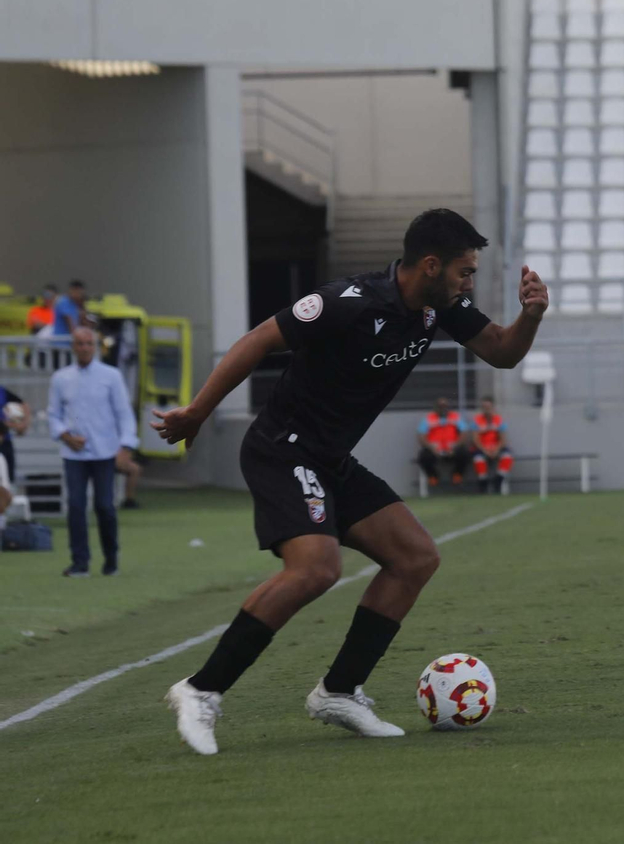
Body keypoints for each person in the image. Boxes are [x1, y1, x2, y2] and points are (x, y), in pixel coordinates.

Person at [151, 208, 549, 756]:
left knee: (415, 558)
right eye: (465, 270)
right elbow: (257, 340)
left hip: (330, 458)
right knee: (315, 568)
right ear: (430, 266)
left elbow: (502, 352)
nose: (469, 282)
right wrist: (197, 412)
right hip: (282, 449)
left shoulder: (441, 307)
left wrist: (532, 315)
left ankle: (338, 692)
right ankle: (201, 689)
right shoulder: (348, 302)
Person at [48, 327, 138, 577]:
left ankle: (111, 559)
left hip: (105, 452)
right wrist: (65, 435)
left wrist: (126, 446)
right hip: (74, 454)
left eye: (89, 343)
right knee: (76, 506)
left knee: (105, 506)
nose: (85, 348)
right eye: (80, 343)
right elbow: (53, 414)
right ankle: (80, 562)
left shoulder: (111, 376)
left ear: (95, 346)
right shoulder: (61, 378)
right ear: (73, 347)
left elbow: (124, 414)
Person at [416, 397, 471, 487]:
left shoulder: (455, 417)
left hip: (452, 449)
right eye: (440, 406)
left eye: (445, 406)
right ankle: (433, 476)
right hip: (434, 449)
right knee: (423, 456)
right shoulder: (429, 418)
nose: (443, 408)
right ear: (436, 407)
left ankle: (457, 475)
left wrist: (455, 447)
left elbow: (464, 433)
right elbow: (421, 436)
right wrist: (432, 448)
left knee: (464, 454)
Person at [468, 397, 513, 494]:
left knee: (507, 455)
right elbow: (475, 439)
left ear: (493, 407)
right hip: (482, 447)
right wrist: (485, 450)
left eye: (488, 407)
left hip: (495, 447)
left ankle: (499, 479)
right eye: (484, 407)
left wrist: (496, 450)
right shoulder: (477, 420)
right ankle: (483, 481)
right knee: (478, 458)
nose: (486, 409)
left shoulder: (498, 420)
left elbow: (503, 439)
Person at [0, 382, 29, 490]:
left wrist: (23, 424)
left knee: (7, 483)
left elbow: (23, 404)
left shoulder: (2, 391)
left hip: (4, 444)